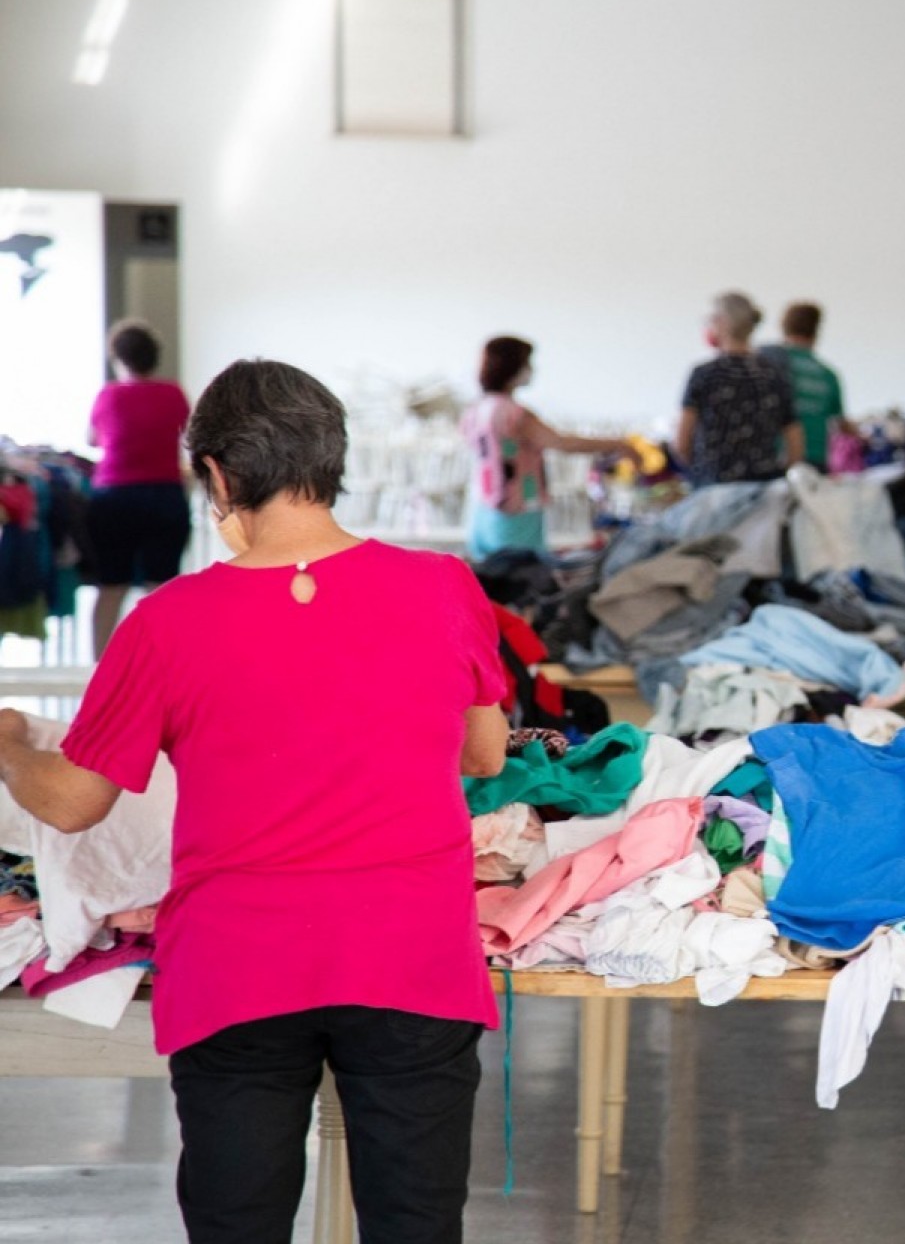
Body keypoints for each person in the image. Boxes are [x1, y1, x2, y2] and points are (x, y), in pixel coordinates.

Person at [0, 359, 510, 1244]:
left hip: (240, 968)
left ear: (220, 478)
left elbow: (76, 804)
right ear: (331, 460)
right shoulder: (444, 588)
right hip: (411, 954)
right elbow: (485, 751)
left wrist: (6, 744)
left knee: (239, 1221)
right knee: (418, 1222)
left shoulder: (167, 621)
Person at [461, 335, 640, 559]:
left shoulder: (477, 409)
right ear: (513, 367)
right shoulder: (514, 414)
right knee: (518, 577)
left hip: (484, 506)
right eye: (527, 363)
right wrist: (619, 444)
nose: (531, 370)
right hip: (516, 507)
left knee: (489, 580)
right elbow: (562, 443)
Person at [86, 319, 192, 658]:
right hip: (163, 495)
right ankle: (164, 664)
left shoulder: (109, 396)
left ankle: (99, 667)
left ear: (117, 358)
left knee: (111, 586)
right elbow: (189, 435)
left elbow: (92, 438)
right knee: (161, 587)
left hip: (114, 498)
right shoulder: (173, 393)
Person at [675, 292, 801, 485]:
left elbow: (682, 442)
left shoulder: (704, 374)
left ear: (722, 323)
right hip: (762, 489)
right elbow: (795, 441)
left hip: (714, 488)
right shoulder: (773, 374)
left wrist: (699, 472)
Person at [758, 301, 847, 471]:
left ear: (783, 326)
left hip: (777, 457)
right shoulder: (827, 374)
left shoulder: (765, 362)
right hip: (815, 460)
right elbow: (841, 424)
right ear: (816, 331)